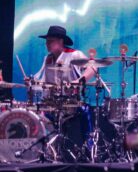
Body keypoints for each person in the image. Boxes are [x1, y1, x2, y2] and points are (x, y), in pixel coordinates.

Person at [33, 25, 96, 156]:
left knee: (86, 111)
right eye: (46, 41)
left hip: (72, 101)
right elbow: (42, 80)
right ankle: (48, 152)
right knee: (39, 116)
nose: (47, 44)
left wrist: (78, 81)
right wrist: (32, 82)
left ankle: (89, 149)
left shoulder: (74, 54)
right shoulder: (48, 59)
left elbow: (93, 68)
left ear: (60, 41)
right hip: (53, 103)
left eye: (50, 41)